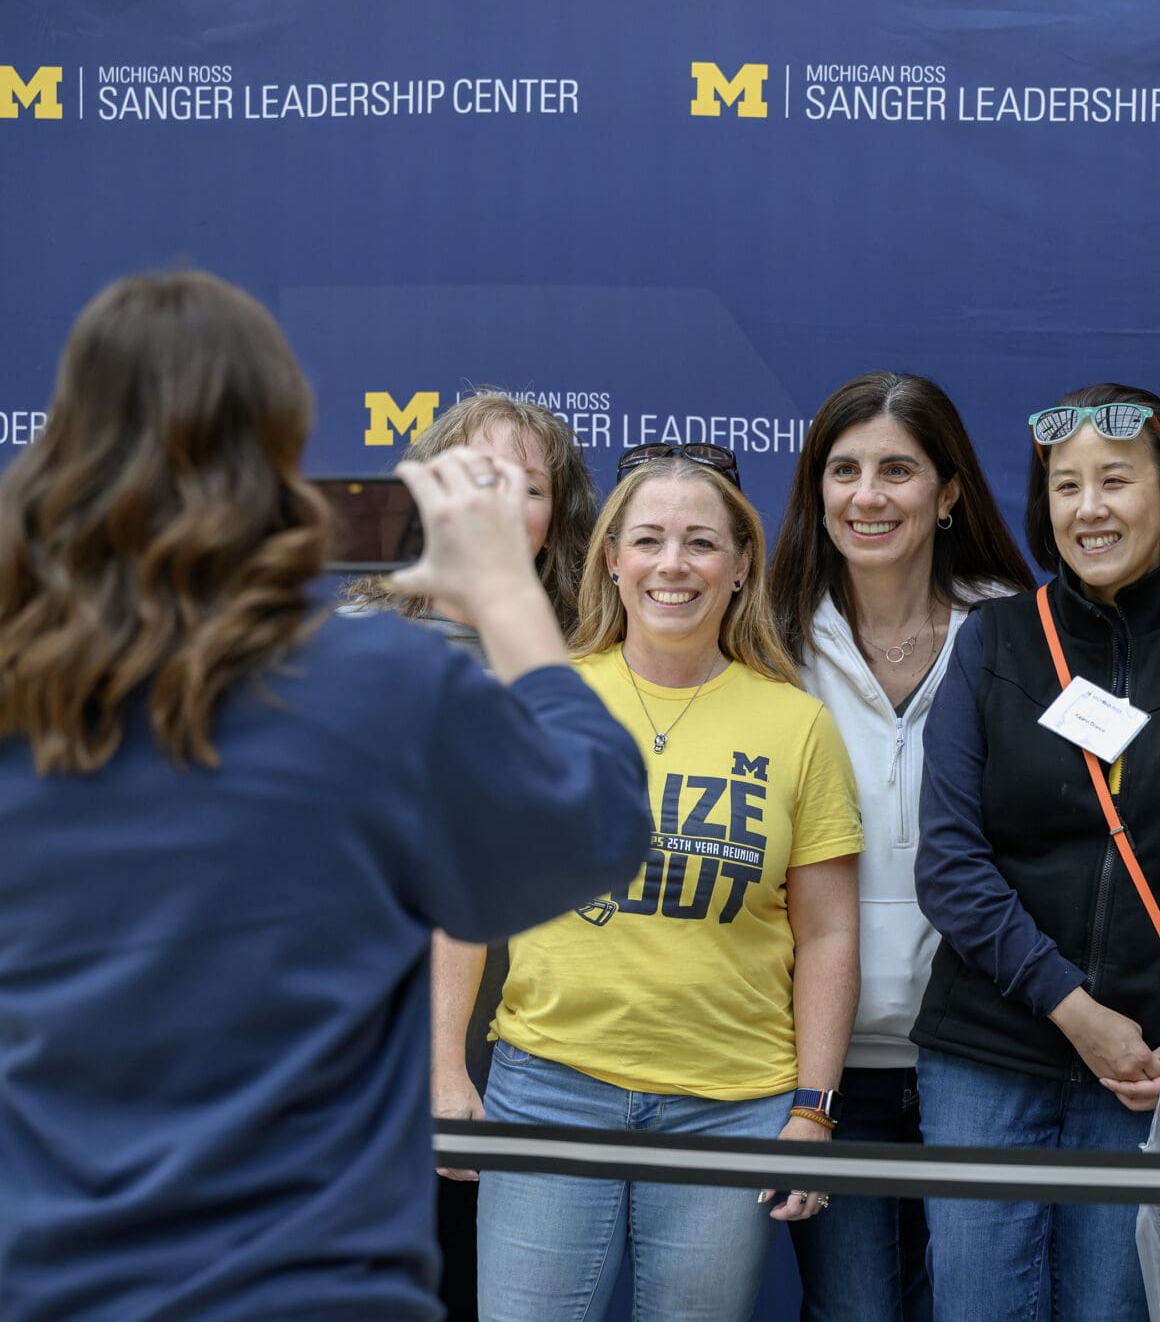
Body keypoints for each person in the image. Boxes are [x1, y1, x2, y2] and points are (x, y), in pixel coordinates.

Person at [0, 270, 650, 1320]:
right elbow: (599, 822)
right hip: (311, 1283)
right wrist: (501, 598)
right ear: (280, 459)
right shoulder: (380, 685)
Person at [913, 385, 1160, 1320]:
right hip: (989, 1051)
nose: (1088, 509)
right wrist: (1071, 1006)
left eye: (1115, 481)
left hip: (1150, 1067)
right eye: (1066, 486)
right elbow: (951, 864)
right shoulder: (997, 638)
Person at [470, 442, 864, 1322]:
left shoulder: (796, 724)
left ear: (740, 565)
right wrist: (441, 1075)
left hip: (731, 1107)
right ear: (611, 559)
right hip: (550, 1088)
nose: (672, 564)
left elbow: (830, 932)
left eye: (700, 542)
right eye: (647, 539)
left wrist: (814, 1109)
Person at [769, 372, 1034, 1321]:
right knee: (853, 1311)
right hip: (822, 1062)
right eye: (843, 470)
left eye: (897, 470)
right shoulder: (769, 635)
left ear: (949, 490)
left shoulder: (1018, 631)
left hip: (984, 1049)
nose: (867, 495)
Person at [350, 390, 600, 1317]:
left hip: (524, 1073)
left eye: (529, 486)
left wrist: (459, 1072)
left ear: (557, 519)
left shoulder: (582, 673)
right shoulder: (349, 653)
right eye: (479, 475)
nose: (502, 503)